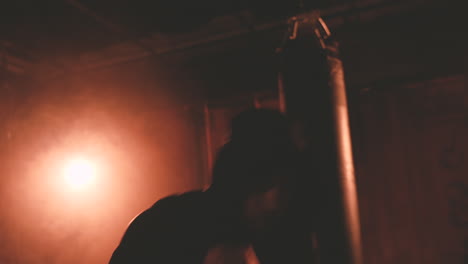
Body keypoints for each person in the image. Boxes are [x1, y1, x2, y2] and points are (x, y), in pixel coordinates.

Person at [109, 108, 315, 264]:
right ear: (256, 180)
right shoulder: (166, 226)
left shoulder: (276, 240)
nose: (287, 201)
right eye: (285, 183)